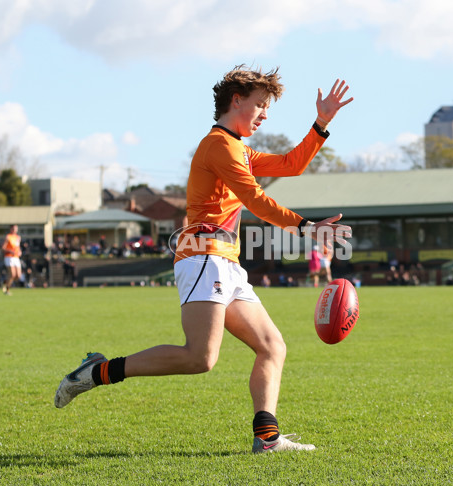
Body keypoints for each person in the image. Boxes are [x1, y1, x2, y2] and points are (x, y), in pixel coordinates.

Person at [54, 65, 353, 453]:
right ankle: (97, 371)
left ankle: (267, 439)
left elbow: (291, 165)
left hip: (226, 260)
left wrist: (321, 123)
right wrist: (305, 226)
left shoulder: (239, 149)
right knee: (200, 357)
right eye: (260, 105)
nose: (265, 114)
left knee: (272, 346)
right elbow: (254, 199)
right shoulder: (219, 145)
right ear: (236, 100)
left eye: (268, 108)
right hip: (203, 256)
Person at [1, 224, 22, 295]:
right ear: (11, 229)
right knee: (12, 274)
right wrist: (9, 251)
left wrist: (20, 252)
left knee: (18, 276)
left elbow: (17, 247)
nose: (14, 230)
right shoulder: (8, 237)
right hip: (9, 257)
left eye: (16, 229)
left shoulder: (18, 237)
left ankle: (5, 282)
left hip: (16, 257)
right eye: (13, 229)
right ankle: (7, 290)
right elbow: (3, 248)